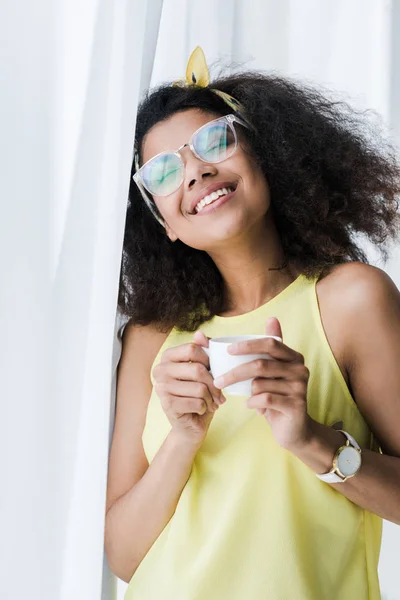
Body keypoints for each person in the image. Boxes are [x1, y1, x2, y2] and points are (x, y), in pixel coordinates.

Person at [105, 47, 400, 600]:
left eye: (215, 140)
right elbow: (124, 557)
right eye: (164, 172)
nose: (196, 171)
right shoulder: (149, 340)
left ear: (265, 154)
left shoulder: (351, 301)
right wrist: (183, 438)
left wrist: (312, 440)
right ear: (162, 221)